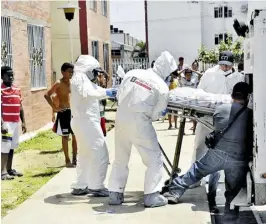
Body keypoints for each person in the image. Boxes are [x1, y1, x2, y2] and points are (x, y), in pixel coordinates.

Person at [164, 82, 253, 215]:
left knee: (197, 170)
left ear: (231, 95)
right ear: (247, 97)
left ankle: (174, 193)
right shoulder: (250, 114)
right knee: (234, 182)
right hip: (238, 158)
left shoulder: (220, 109)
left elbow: (216, 127)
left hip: (217, 154)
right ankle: (229, 204)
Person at [108, 51, 177, 208]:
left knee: (120, 158)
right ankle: (151, 196)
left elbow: (119, 96)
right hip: (140, 123)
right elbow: (156, 114)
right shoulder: (162, 87)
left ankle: (115, 194)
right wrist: (158, 114)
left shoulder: (132, 73)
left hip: (121, 119)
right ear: (167, 71)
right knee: (154, 160)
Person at [191, 51, 245, 210]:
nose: (224, 67)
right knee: (200, 148)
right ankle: (195, 179)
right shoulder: (209, 74)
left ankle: (218, 188)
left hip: (225, 120)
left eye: (227, 65)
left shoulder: (237, 77)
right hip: (206, 116)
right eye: (222, 64)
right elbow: (199, 93)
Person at [69, 55, 117, 197]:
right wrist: (107, 93)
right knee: (100, 153)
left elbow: (95, 89)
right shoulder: (79, 79)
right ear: (89, 70)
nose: (96, 75)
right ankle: (96, 186)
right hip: (87, 122)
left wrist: (109, 92)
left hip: (82, 122)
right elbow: (89, 93)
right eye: (95, 72)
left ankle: (80, 185)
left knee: (84, 154)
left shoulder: (81, 79)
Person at [45, 63, 78, 167]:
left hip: (74, 113)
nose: (71, 73)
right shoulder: (58, 83)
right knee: (65, 136)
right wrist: (55, 108)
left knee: (75, 136)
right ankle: (67, 160)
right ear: (63, 72)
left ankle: (75, 159)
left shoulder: (73, 83)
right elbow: (47, 95)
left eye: (72, 72)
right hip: (64, 113)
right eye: (69, 71)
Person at [1, 66, 27, 180]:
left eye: (12, 75)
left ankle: (9, 169)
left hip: (15, 122)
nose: (11, 77)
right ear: (2, 77)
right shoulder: (1, 90)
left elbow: (20, 107)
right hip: (6, 124)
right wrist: (2, 124)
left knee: (11, 147)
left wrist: (23, 122)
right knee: (4, 147)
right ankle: (3, 173)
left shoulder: (17, 89)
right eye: (8, 75)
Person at [180, 68, 199, 134]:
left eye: (190, 75)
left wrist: (193, 70)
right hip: (185, 101)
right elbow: (177, 74)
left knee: (194, 116)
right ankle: (182, 131)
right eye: (187, 75)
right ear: (185, 75)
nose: (188, 76)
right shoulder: (183, 80)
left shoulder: (194, 79)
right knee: (184, 116)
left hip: (193, 100)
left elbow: (201, 75)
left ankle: (194, 130)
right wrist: (183, 69)